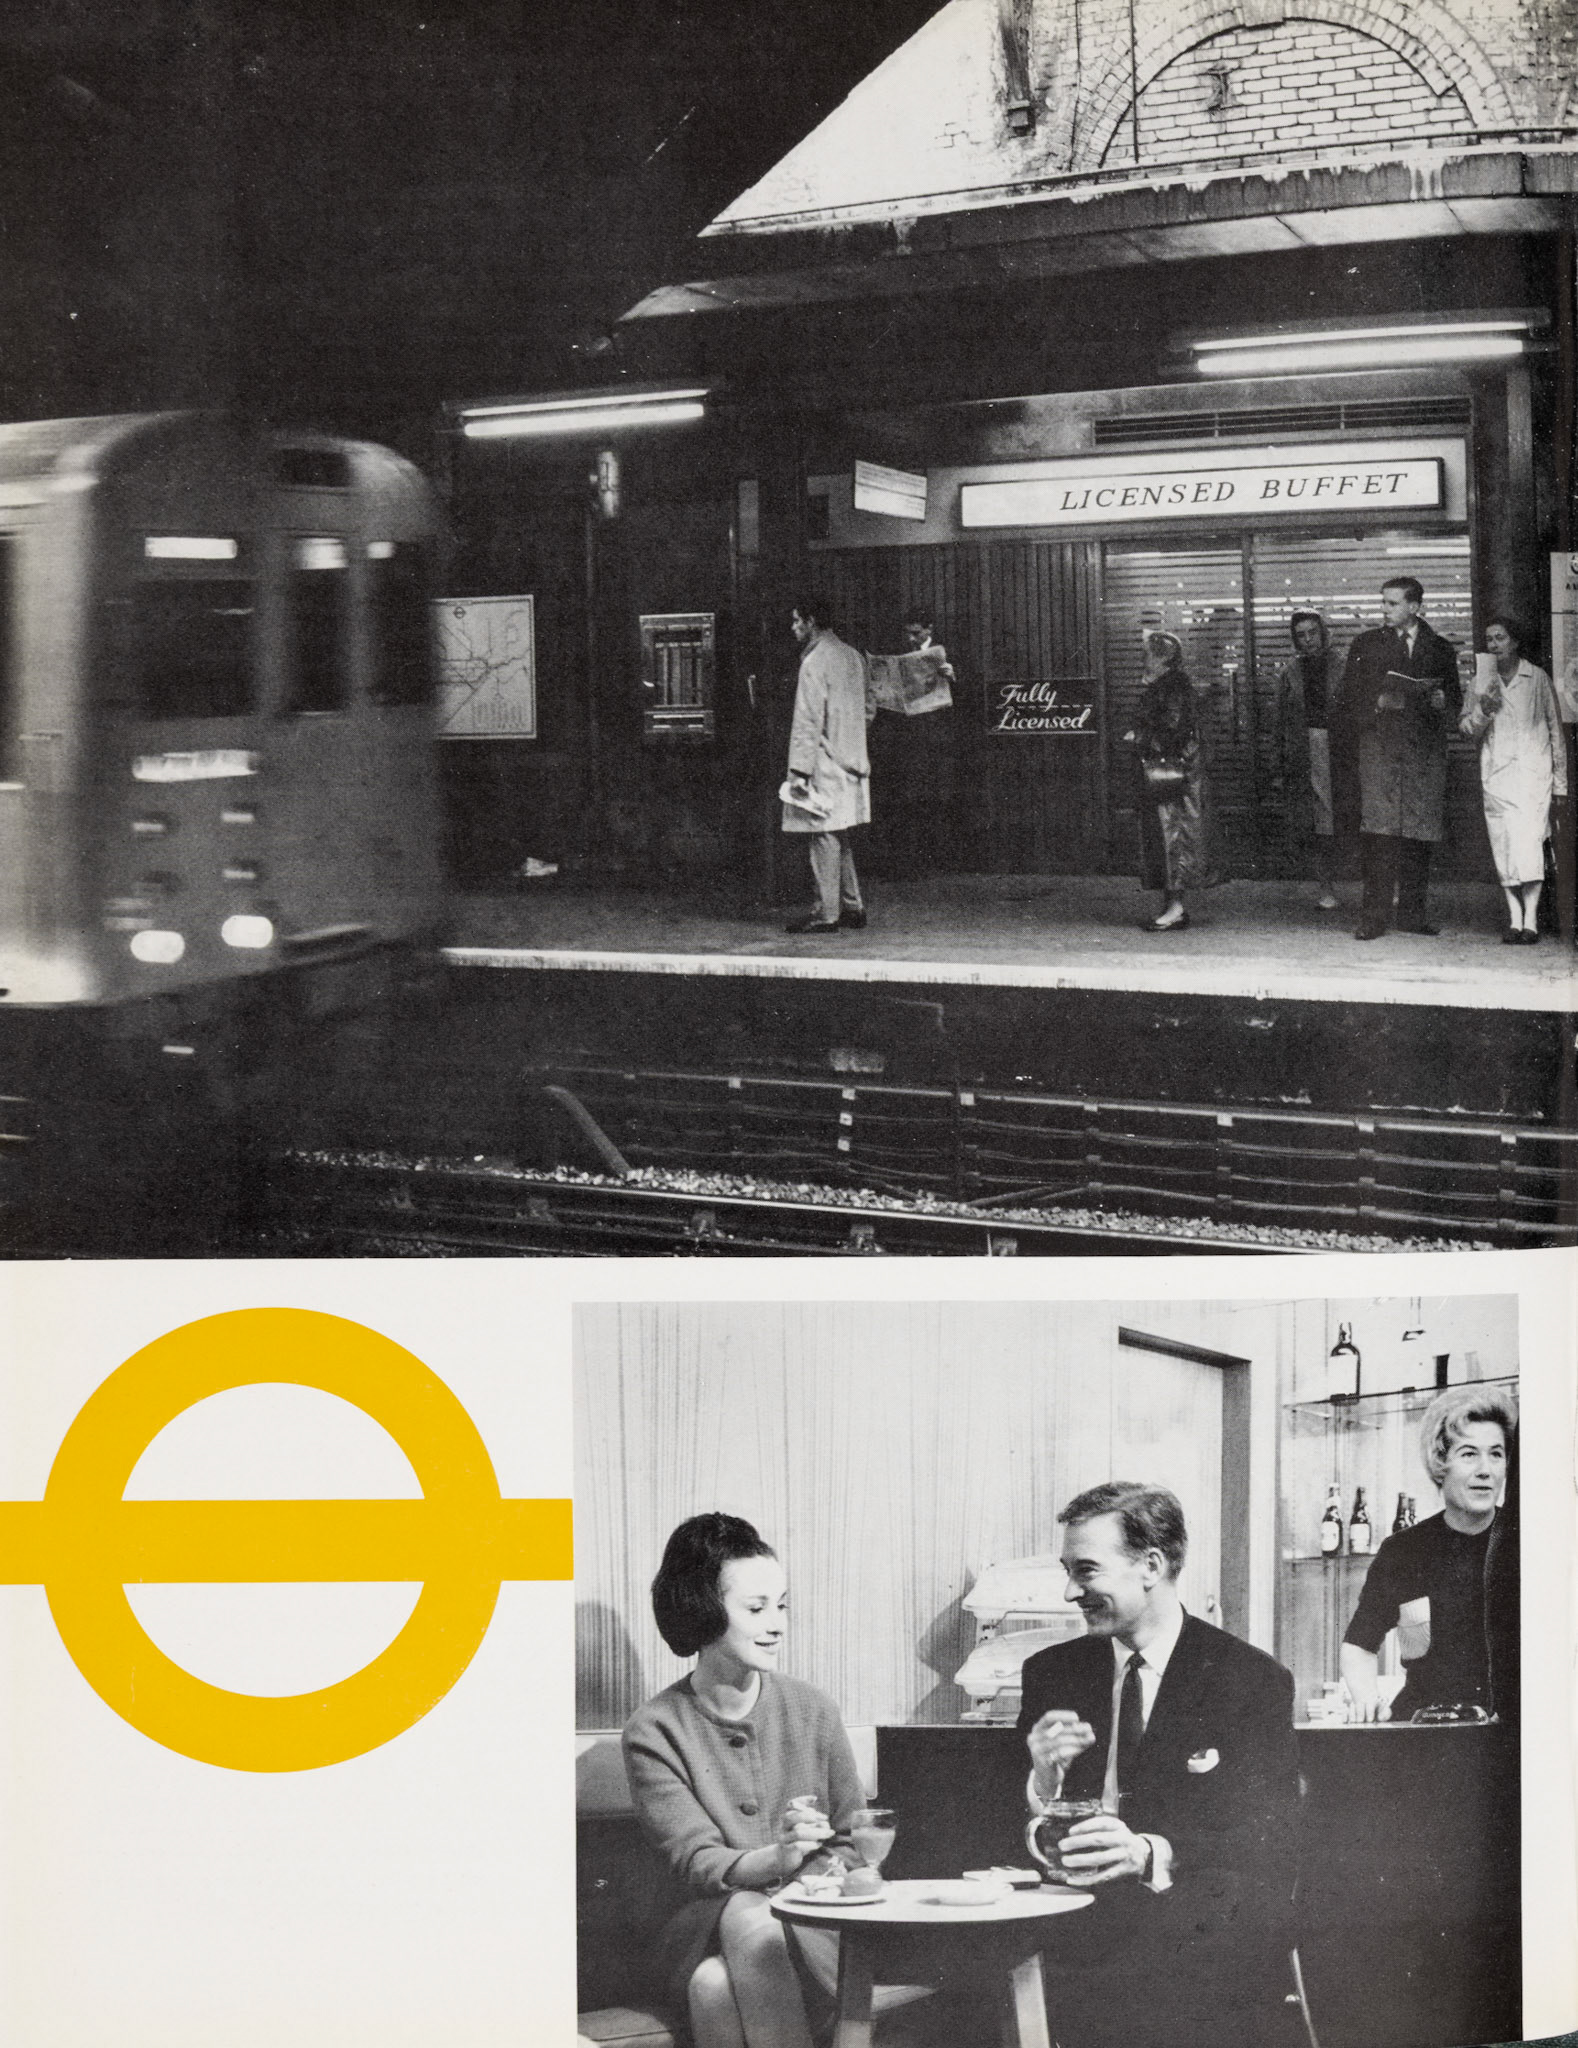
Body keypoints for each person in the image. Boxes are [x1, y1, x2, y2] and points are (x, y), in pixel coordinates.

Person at [1016, 1483, 1299, 2048]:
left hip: (1189, 1918)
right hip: (1073, 1915)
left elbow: (1269, 1837)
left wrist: (1147, 1853)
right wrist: (1042, 1774)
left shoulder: (1249, 1679)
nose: (1070, 1591)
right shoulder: (1050, 1672)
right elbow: (1005, 1821)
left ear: (1151, 1565)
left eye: (1087, 1571)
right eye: (1068, 1571)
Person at [620, 1514, 864, 2048]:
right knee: (748, 1922)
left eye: (782, 1605)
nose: (777, 1623)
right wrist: (779, 1857)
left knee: (713, 1985)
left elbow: (852, 1842)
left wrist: (804, 1880)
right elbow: (697, 1863)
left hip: (814, 1918)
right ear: (702, 1611)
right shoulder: (654, 1729)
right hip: (696, 1925)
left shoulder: (813, 1710)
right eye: (756, 1609)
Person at [1340, 1385, 1519, 1723]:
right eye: (1469, 1454)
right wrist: (1366, 1698)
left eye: (1496, 1454)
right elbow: (1359, 1645)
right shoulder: (1403, 1551)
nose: (1486, 1470)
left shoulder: (1525, 1542)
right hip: (1425, 1732)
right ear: (1441, 1464)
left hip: (1508, 1735)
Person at [1341, 576, 1461, 940]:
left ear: (1415, 606)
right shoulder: (1366, 644)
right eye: (1384, 602)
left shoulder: (1440, 649)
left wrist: (1444, 703)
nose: (1385, 610)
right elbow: (1346, 698)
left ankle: (1412, 914)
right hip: (1380, 750)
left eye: (1393, 603)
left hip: (1423, 753)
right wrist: (1376, 703)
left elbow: (1455, 699)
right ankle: (1373, 918)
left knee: (1418, 835)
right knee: (1380, 834)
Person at [1459, 615, 1566, 944]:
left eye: (1500, 638)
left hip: (1534, 775)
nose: (1494, 645)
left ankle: (1530, 919)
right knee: (1503, 844)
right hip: (1498, 775)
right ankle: (1514, 917)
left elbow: (1554, 730)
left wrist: (1561, 783)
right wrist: (1482, 711)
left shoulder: (1537, 678)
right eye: (1489, 640)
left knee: (1529, 845)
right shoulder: (1481, 681)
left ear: (1515, 642)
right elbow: (1466, 730)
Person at [781, 597, 872, 933]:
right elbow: (869, 709)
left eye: (796, 620)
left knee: (822, 836)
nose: (793, 628)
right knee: (839, 833)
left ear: (811, 620)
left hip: (822, 763)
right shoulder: (853, 656)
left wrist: (799, 774)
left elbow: (807, 721)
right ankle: (853, 906)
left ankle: (826, 913)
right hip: (853, 760)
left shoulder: (814, 662)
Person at [1123, 631, 1214, 932]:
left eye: (1146, 654)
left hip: (1172, 777)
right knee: (1170, 838)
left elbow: (1173, 731)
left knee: (1171, 837)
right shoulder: (1171, 685)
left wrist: (1141, 737)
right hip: (1176, 775)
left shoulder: (1169, 687)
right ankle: (1173, 905)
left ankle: (1175, 907)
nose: (1142, 660)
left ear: (1161, 658)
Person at [1275, 610, 1350, 910]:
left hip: (1340, 751)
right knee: (1315, 822)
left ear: (1323, 632)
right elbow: (1278, 722)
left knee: (1346, 817)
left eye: (1313, 633)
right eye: (1301, 635)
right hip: (1305, 751)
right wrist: (1279, 764)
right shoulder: (1289, 672)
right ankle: (1326, 888)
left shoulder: (1343, 666)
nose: (1308, 640)